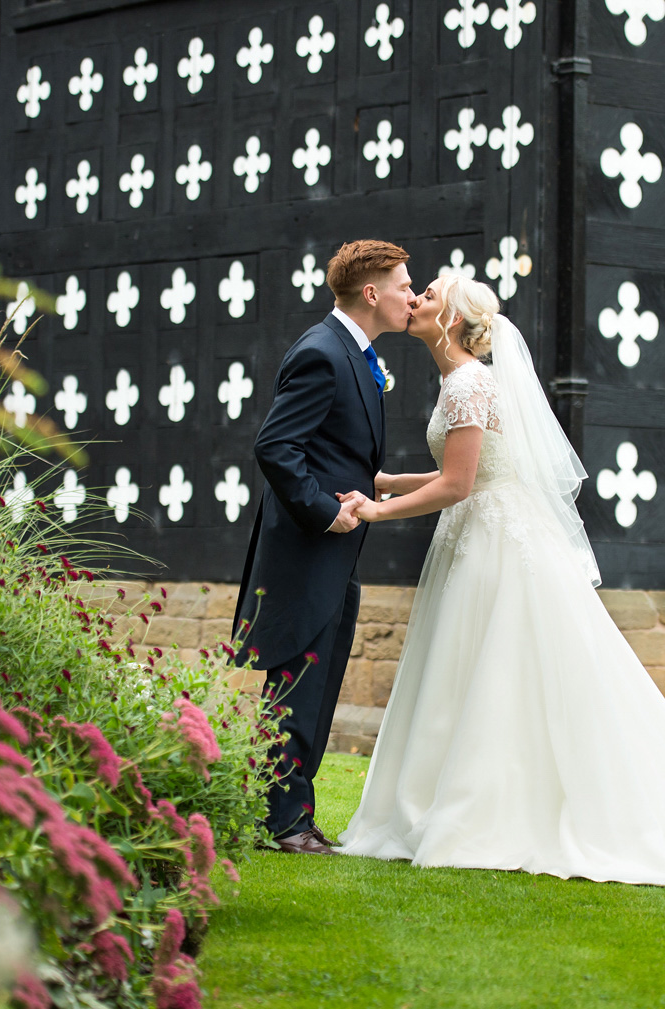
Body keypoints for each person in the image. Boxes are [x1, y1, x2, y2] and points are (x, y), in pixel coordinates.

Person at [334, 274, 665, 888]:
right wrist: (389, 481)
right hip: (483, 532)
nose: (418, 299)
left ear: (451, 317)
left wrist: (376, 510)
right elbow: (467, 471)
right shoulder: (464, 381)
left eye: (429, 293)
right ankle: (478, 797)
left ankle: (489, 811)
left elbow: (457, 485)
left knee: (496, 668)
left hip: (495, 543)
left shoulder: (470, 383)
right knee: (488, 672)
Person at [232, 240, 417, 855]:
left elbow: (336, 449)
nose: (410, 295)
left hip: (336, 555)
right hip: (311, 548)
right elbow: (275, 447)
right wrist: (326, 511)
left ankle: (291, 815)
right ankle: (280, 822)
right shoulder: (322, 352)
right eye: (402, 284)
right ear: (371, 293)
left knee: (315, 684)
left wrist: (371, 488)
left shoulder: (354, 353)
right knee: (296, 685)